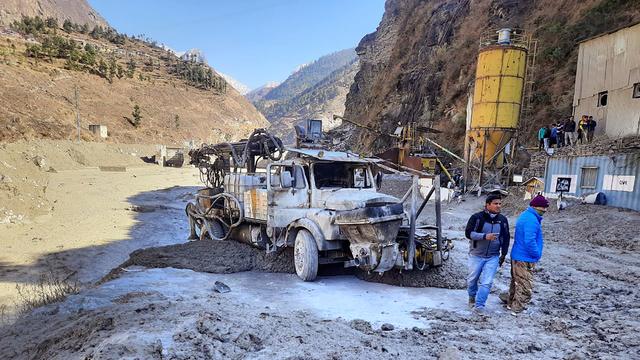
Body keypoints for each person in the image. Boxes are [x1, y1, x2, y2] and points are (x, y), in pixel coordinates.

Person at [464, 193, 510, 313]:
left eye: (500, 203)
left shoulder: (503, 220)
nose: (498, 206)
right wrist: (485, 236)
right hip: (476, 255)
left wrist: (503, 254)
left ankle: (480, 306)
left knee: (487, 282)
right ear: (487, 205)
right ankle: (472, 297)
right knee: (472, 280)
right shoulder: (477, 218)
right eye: (495, 203)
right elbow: (469, 234)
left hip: (493, 256)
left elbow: (506, 238)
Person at [506, 194, 549, 314]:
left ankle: (510, 304)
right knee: (525, 286)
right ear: (536, 207)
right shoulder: (531, 220)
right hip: (525, 257)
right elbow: (529, 241)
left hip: (518, 255)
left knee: (516, 283)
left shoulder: (526, 216)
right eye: (543, 209)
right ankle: (517, 309)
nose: (544, 211)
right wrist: (536, 254)